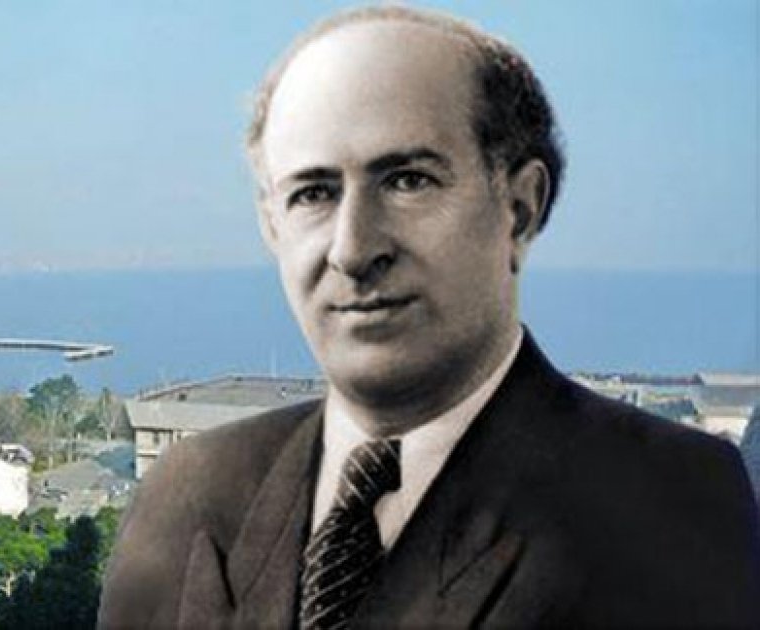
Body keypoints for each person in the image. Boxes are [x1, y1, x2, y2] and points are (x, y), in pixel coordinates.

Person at [99, 6, 760, 628]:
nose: (352, 249)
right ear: (271, 225)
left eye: (407, 180)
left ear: (520, 207)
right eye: (313, 193)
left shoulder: (667, 495)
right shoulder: (185, 494)